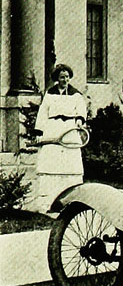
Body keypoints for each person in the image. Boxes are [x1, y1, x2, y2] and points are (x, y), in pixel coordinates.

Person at [33, 64, 87, 213]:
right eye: (62, 77)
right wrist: (39, 132)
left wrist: (79, 121)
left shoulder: (76, 95)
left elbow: (81, 110)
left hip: (69, 130)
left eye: (67, 77)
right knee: (51, 164)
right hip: (53, 129)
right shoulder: (50, 94)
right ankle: (48, 202)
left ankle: (71, 202)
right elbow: (43, 113)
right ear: (57, 78)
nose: (65, 80)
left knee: (69, 165)